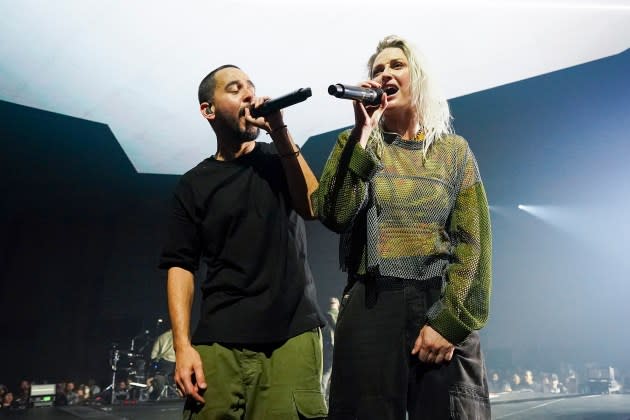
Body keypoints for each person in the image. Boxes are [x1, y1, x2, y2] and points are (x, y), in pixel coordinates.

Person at [313, 35, 493, 419]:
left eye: (396, 65)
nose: (384, 74)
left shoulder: (453, 152)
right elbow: (336, 214)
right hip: (371, 303)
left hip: (436, 298)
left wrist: (448, 323)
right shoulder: (354, 143)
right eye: (377, 69)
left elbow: (473, 242)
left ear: (419, 77)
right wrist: (362, 135)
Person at [159, 64, 328, 419]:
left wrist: (280, 131)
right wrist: (182, 346)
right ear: (208, 109)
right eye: (235, 89)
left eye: (251, 86)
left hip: (291, 335)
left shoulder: (276, 158)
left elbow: (313, 205)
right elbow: (180, 264)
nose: (249, 94)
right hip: (219, 341)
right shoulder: (193, 185)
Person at [148, 329, 177, 400]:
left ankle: (154, 395)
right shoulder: (181, 336)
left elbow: (153, 355)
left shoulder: (161, 337)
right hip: (177, 361)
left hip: (164, 362)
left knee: (160, 379)